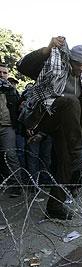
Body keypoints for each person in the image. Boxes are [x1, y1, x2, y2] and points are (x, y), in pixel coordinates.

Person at [17, 36, 82, 219]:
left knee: (66, 164)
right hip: (46, 115)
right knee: (70, 102)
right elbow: (23, 66)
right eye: (78, 64)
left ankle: (55, 206)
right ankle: (76, 152)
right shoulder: (55, 68)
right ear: (70, 60)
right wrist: (47, 49)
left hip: (64, 127)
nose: (81, 68)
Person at [0, 63, 23, 197]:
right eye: (0, 72)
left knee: (10, 155)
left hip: (7, 127)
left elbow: (20, 108)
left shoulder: (11, 90)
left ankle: (16, 186)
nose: (2, 75)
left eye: (4, 73)